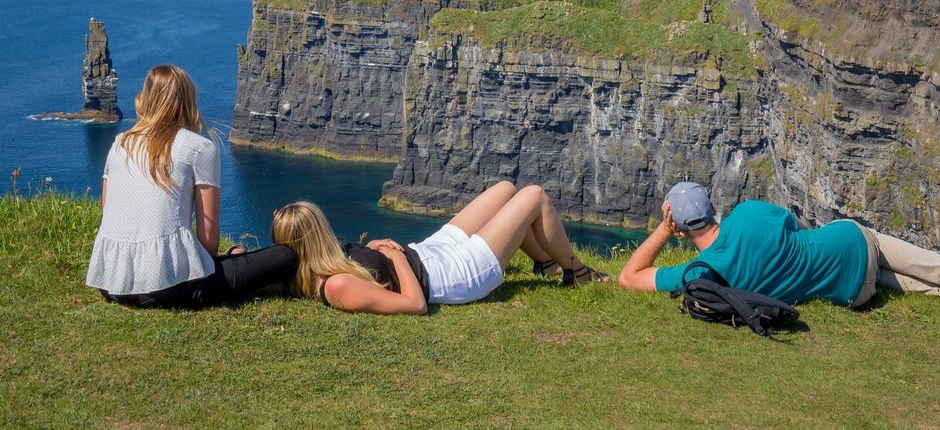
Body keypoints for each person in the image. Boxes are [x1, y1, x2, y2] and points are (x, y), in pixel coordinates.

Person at [85, 65, 296, 308]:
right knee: (285, 255)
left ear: (146, 97)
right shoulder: (199, 148)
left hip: (111, 282)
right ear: (187, 99)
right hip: (166, 288)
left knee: (238, 262)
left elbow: (107, 209)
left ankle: (237, 259)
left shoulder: (120, 142)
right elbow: (208, 239)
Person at [619, 181, 940, 307]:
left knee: (881, 275)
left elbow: (629, 276)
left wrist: (663, 231)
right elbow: (794, 223)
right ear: (713, 208)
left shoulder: (702, 273)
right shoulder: (747, 214)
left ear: (683, 229)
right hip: (848, 247)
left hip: (851, 294)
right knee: (869, 243)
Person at [270, 181, 609, 315]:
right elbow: (415, 304)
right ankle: (576, 272)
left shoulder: (327, 264)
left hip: (431, 251)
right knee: (533, 196)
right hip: (454, 274)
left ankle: (545, 264)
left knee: (506, 189)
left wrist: (373, 248)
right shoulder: (335, 285)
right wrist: (392, 255)